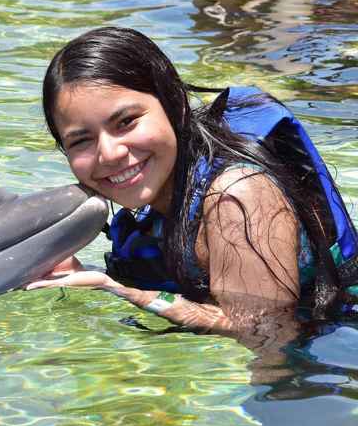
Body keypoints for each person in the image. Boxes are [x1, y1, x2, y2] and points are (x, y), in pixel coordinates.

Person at [26, 26, 358, 333]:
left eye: (126, 121)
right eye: (81, 140)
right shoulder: (160, 198)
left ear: (175, 105)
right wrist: (84, 275)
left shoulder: (237, 196)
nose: (109, 153)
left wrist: (116, 290)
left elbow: (264, 335)